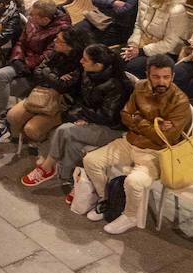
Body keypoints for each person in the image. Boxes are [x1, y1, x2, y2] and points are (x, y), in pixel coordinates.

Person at [79, 54, 192, 235]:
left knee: (134, 181)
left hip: (156, 153)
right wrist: (153, 124)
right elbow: (125, 115)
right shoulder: (140, 87)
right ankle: (106, 199)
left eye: (166, 77)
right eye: (156, 77)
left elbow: (166, 137)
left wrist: (138, 119)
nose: (161, 81)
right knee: (91, 161)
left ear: (172, 76)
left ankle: (130, 216)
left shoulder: (180, 101)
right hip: (130, 142)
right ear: (148, 75)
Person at [23, 44, 133, 193]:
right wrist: (82, 115)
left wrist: (84, 115)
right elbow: (79, 97)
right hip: (93, 119)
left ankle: (47, 167)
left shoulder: (117, 85)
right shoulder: (88, 73)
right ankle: (68, 178)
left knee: (64, 130)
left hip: (112, 129)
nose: (81, 61)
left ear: (98, 65)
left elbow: (108, 116)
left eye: (85, 59)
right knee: (73, 142)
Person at [0, 0, 71, 146]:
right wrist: (17, 59)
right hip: (23, 63)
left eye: (33, 15)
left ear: (45, 19)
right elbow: (20, 42)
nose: (29, 16)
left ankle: (0, 124)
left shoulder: (61, 31)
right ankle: (0, 123)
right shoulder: (34, 21)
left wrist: (27, 64)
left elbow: (47, 57)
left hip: (37, 74)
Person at [2, 24, 89, 147]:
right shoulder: (56, 52)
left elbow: (64, 87)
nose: (54, 41)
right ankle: (25, 139)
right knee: (12, 116)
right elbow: (37, 72)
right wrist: (54, 76)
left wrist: (48, 74)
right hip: (43, 94)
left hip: (63, 103)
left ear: (69, 46)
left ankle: (43, 145)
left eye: (58, 40)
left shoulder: (82, 63)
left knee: (32, 129)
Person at [121, 0, 189, 77]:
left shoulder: (177, 10)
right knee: (117, 59)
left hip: (165, 52)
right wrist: (133, 44)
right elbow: (138, 25)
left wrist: (141, 51)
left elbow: (169, 44)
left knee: (132, 66)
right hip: (141, 43)